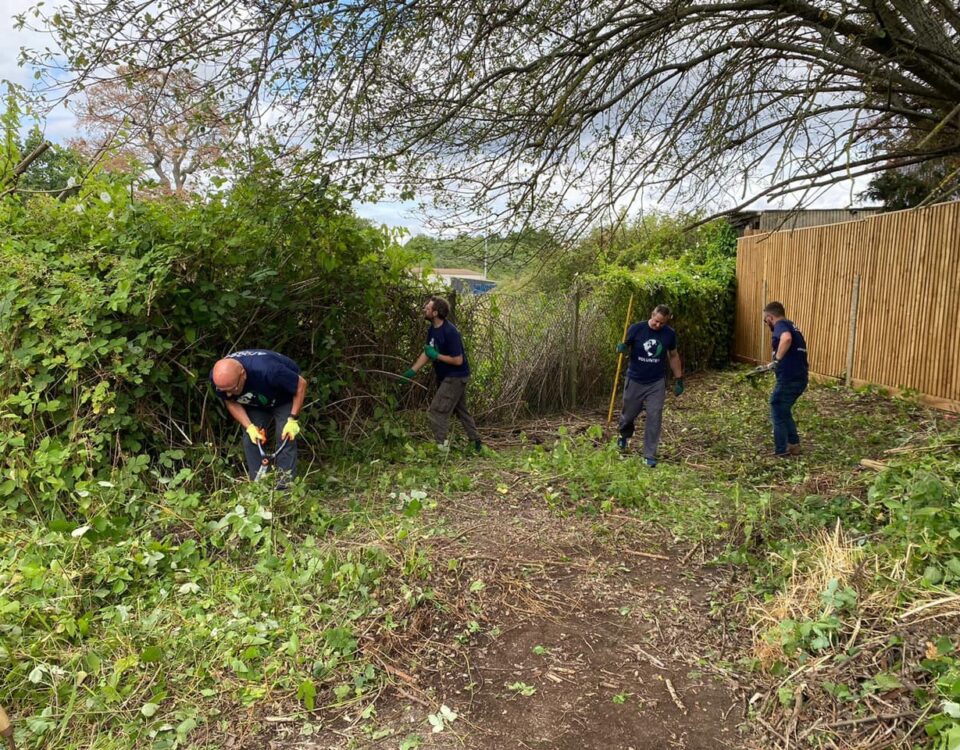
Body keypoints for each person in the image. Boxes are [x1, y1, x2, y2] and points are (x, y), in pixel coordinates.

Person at [210, 349, 308, 484]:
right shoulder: (220, 380)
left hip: (283, 398)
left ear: (243, 375)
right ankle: (260, 484)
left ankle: (285, 486)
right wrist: (249, 427)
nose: (228, 394)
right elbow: (230, 402)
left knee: (285, 436)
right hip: (255, 401)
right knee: (252, 438)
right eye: (223, 391)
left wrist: (293, 419)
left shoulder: (269, 370)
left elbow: (301, 384)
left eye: (232, 389)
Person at [401, 296, 482, 451]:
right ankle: (476, 442)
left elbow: (458, 360)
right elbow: (428, 352)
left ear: (436, 313)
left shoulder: (451, 332)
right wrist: (412, 371)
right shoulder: (432, 329)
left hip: (455, 377)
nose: (425, 308)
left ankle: (442, 448)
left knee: (437, 411)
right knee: (460, 410)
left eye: (428, 307)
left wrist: (436, 356)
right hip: (446, 376)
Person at [615, 304, 684, 467]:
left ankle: (649, 454)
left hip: (656, 382)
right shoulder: (636, 329)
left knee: (655, 415)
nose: (658, 325)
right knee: (629, 414)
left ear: (667, 322)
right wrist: (622, 348)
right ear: (652, 315)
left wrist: (679, 378)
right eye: (656, 321)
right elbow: (626, 347)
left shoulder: (669, 334)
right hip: (635, 379)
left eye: (662, 323)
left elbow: (673, 356)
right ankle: (623, 435)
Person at [759, 301, 809, 457]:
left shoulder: (781, 326)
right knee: (783, 409)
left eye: (765, 319)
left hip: (790, 378)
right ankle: (794, 445)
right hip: (799, 377)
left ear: (770, 317)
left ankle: (781, 450)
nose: (766, 323)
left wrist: (777, 360)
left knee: (777, 406)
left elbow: (786, 339)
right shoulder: (791, 325)